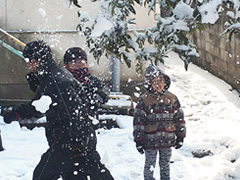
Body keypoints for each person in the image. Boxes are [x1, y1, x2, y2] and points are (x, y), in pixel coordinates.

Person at [3, 40, 114, 180]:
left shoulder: (57, 81)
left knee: (44, 176)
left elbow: (74, 114)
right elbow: (38, 106)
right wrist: (17, 114)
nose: (28, 65)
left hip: (70, 143)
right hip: (70, 142)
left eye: (29, 60)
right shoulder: (50, 77)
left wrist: (76, 145)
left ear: (38, 60)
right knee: (92, 172)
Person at [133, 65, 186, 180]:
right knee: (150, 165)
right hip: (150, 141)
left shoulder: (172, 99)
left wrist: (180, 135)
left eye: (161, 81)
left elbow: (179, 118)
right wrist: (139, 140)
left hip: (167, 140)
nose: (159, 84)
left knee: (165, 165)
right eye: (155, 82)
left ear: (165, 81)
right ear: (149, 84)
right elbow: (138, 121)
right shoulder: (145, 100)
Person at [63, 47, 110, 121]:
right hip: (67, 122)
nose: (78, 65)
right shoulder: (64, 80)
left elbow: (105, 91)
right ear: (66, 65)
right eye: (74, 62)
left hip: (90, 120)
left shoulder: (92, 80)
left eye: (81, 61)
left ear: (86, 63)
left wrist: (97, 98)